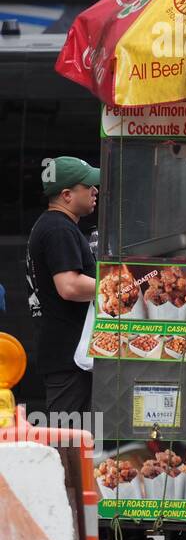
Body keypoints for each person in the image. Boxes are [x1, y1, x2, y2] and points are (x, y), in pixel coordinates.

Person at [25, 157, 100, 416]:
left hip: (65, 354)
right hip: (68, 357)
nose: (95, 191)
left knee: (76, 442)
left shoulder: (52, 225)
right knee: (68, 442)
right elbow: (69, 286)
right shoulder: (58, 228)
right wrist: (118, 286)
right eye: (88, 186)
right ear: (67, 194)